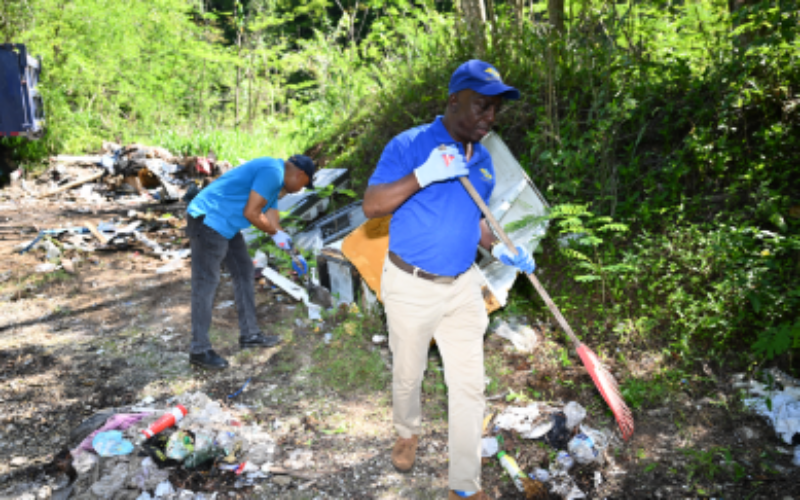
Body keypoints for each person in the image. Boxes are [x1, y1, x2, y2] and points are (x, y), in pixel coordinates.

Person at [362, 60, 536, 500]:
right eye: (481, 106)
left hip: (462, 287)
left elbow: (474, 222)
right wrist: (423, 175)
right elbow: (372, 206)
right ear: (453, 100)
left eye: (495, 109)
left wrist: (500, 249)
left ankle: (464, 483)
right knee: (408, 374)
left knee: (469, 386)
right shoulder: (410, 144)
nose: (489, 118)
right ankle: (407, 431)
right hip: (410, 285)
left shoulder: (485, 163)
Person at [185, 154, 316, 370]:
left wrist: (295, 253)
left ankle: (250, 335)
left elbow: (272, 222)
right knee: (206, 282)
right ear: (300, 174)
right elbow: (252, 213)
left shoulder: (275, 182)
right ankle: (199, 350)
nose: (302, 188)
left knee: (244, 271)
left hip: (225, 223)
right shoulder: (272, 172)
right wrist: (275, 233)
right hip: (208, 218)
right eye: (305, 184)